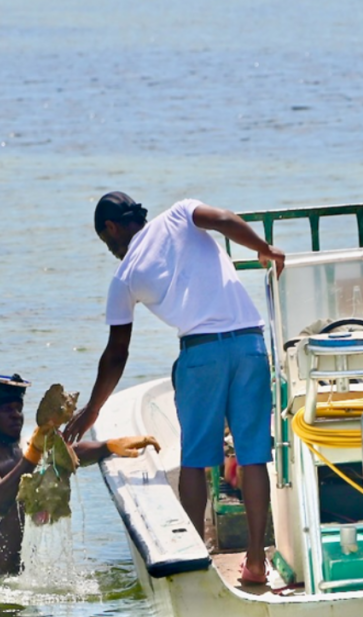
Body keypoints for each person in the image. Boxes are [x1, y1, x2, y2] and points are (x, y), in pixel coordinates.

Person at [63, 193, 285, 585]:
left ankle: (196, 558)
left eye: (105, 242)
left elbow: (116, 354)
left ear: (111, 229)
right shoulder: (181, 213)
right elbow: (223, 219)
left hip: (201, 357)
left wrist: (93, 410)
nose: (110, 251)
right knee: (253, 458)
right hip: (249, 345)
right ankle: (254, 561)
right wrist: (264, 249)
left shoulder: (125, 277)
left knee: (196, 462)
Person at [0, 374, 158, 574]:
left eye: (18, 408)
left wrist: (110, 446)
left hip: (17, 577)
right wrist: (33, 454)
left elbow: (69, 453)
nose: (16, 415)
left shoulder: (23, 452)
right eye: (7, 409)